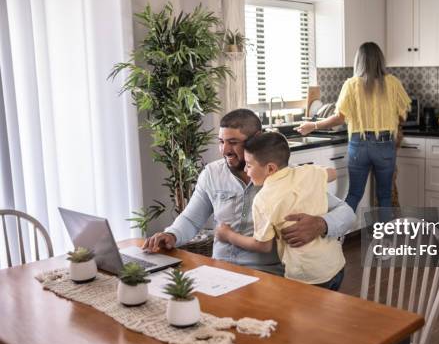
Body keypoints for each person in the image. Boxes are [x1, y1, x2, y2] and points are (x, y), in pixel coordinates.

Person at [143, 109, 355, 275]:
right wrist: (171, 234)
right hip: (220, 269)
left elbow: (346, 213)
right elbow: (191, 219)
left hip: (269, 274)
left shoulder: (287, 179)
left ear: (256, 138)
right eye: (221, 141)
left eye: (233, 142)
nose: (225, 150)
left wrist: (321, 224)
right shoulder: (211, 174)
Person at [215, 132, 346, 290]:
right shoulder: (308, 172)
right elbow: (332, 173)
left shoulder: (263, 199)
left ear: (270, 168)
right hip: (336, 265)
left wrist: (228, 235)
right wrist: (314, 177)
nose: (246, 170)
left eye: (249, 165)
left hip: (307, 276)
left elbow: (263, 246)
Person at [297, 42, 411, 212]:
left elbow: (339, 118)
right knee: (385, 196)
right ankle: (385, 238)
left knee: (354, 194)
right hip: (384, 144)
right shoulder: (393, 83)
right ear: (381, 59)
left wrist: (313, 125)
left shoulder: (351, 84)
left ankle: (338, 234)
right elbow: (403, 114)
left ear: (359, 61)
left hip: (359, 145)